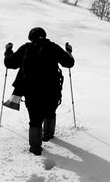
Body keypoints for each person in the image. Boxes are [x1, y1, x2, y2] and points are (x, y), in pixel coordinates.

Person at [4, 27, 75, 155]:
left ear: (30, 37)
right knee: (50, 112)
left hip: (32, 91)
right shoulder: (53, 47)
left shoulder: (26, 48)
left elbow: (10, 63)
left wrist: (8, 51)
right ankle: (48, 135)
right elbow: (69, 63)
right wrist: (69, 51)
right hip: (52, 89)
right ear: (44, 35)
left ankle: (35, 148)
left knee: (35, 119)